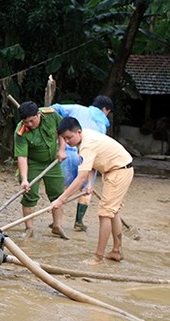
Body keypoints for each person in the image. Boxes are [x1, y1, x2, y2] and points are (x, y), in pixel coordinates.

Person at [51, 117, 133, 265]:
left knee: (105, 213)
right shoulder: (84, 138)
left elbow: (80, 177)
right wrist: (90, 184)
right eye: (64, 138)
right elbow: (91, 164)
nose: (67, 141)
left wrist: (61, 200)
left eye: (69, 137)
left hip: (119, 170)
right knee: (112, 211)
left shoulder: (87, 145)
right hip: (115, 170)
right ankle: (116, 251)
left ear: (78, 132)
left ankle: (98, 257)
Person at [51, 95, 113, 231]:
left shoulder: (77, 108)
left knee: (64, 188)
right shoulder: (102, 124)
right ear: (104, 109)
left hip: (67, 154)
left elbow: (54, 108)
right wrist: (91, 183)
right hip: (87, 157)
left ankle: (57, 221)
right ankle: (79, 222)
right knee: (86, 190)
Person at [14, 101, 68, 239]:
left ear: (38, 114)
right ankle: (29, 228)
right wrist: (25, 178)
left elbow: (62, 131)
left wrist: (62, 150)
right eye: (27, 122)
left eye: (32, 121)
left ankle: (57, 226)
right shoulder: (20, 132)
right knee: (29, 195)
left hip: (53, 162)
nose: (30, 125)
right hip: (33, 164)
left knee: (57, 194)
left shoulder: (51, 115)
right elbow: (22, 157)